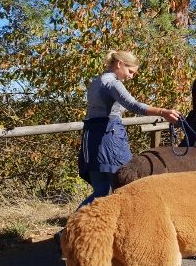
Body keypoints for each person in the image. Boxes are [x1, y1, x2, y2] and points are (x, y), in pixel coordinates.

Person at [77, 50, 181, 207]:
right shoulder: (112, 83)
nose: (131, 76)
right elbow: (133, 105)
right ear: (119, 64)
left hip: (91, 137)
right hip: (109, 138)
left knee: (101, 190)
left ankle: (70, 228)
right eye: (130, 71)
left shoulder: (97, 81)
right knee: (127, 185)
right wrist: (163, 112)